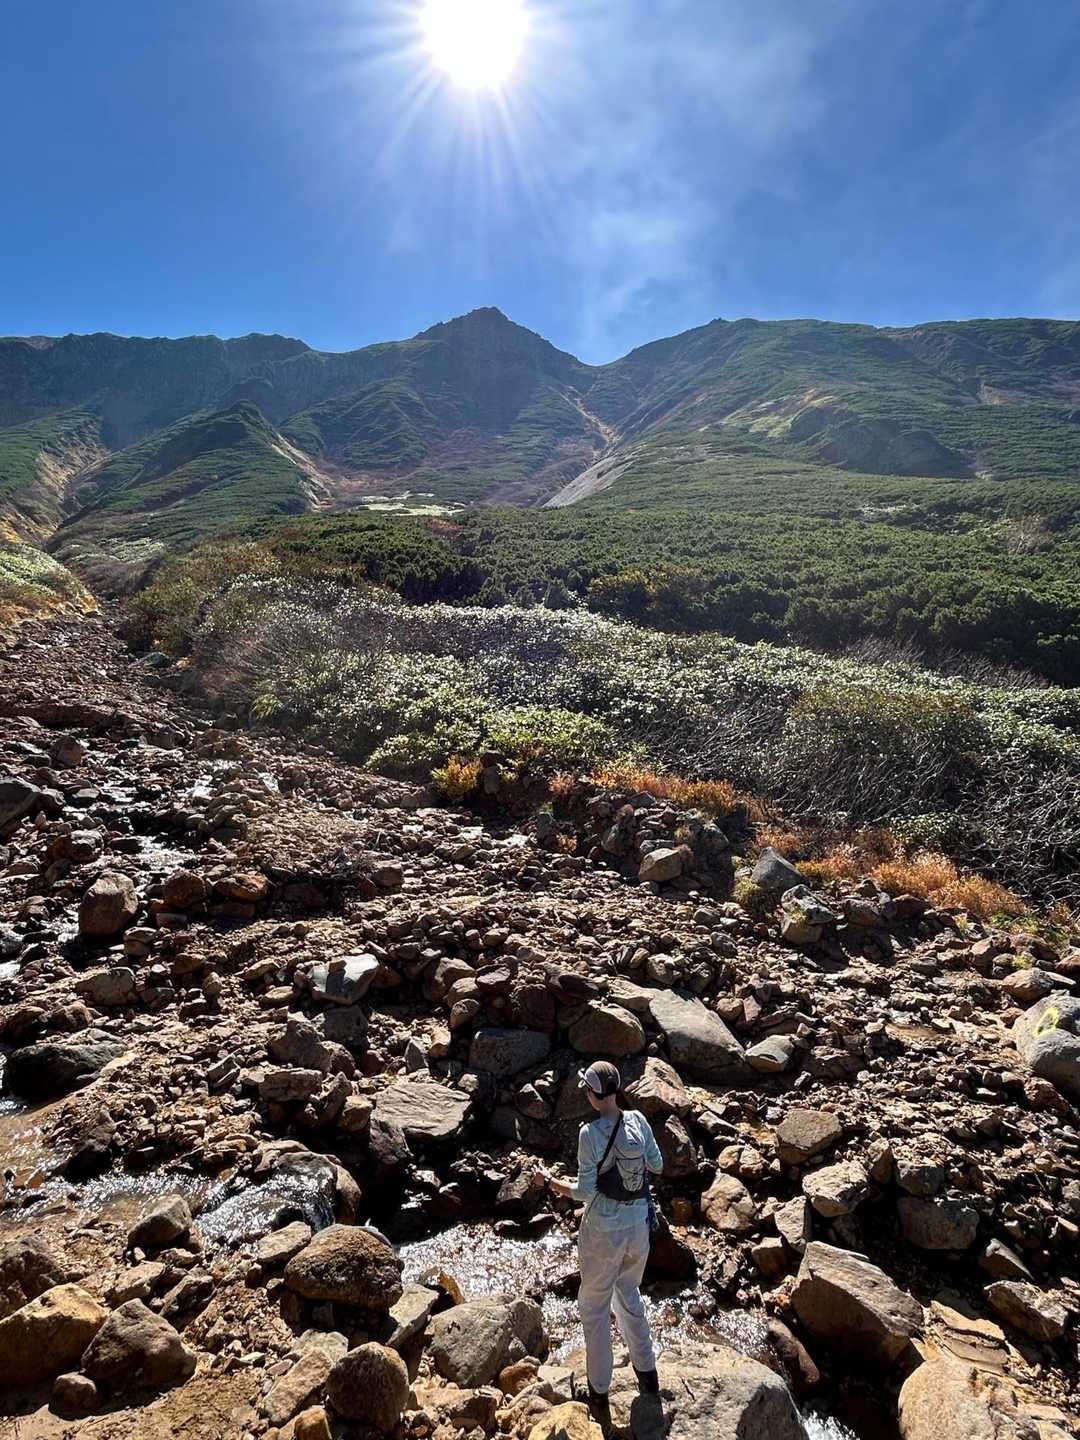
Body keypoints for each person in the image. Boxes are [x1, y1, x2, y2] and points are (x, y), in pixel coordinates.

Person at [544, 1059, 664, 1426]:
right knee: (628, 1293)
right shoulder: (638, 1120)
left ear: (594, 1095)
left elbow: (584, 1192)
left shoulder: (590, 1133)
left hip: (603, 1232)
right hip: (638, 1227)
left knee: (594, 1308)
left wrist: (550, 1183)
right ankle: (648, 1376)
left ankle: (599, 1393)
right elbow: (657, 1165)